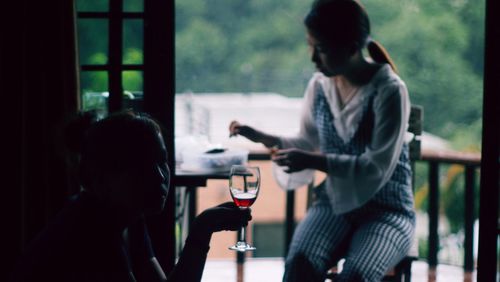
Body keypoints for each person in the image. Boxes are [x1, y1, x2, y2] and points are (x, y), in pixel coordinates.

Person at [229, 0, 415, 281]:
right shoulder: (320, 86)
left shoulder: (388, 90)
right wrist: (260, 136)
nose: (314, 58)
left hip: (386, 211)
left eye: (322, 49)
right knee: (298, 268)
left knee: (356, 276)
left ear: (352, 47)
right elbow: (306, 141)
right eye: (311, 46)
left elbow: (374, 167)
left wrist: (311, 160)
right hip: (334, 204)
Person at [12, 110, 252, 282]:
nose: (160, 176)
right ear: (102, 177)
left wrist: (202, 230)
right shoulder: (91, 232)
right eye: (142, 165)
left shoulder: (128, 216)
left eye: (162, 161)